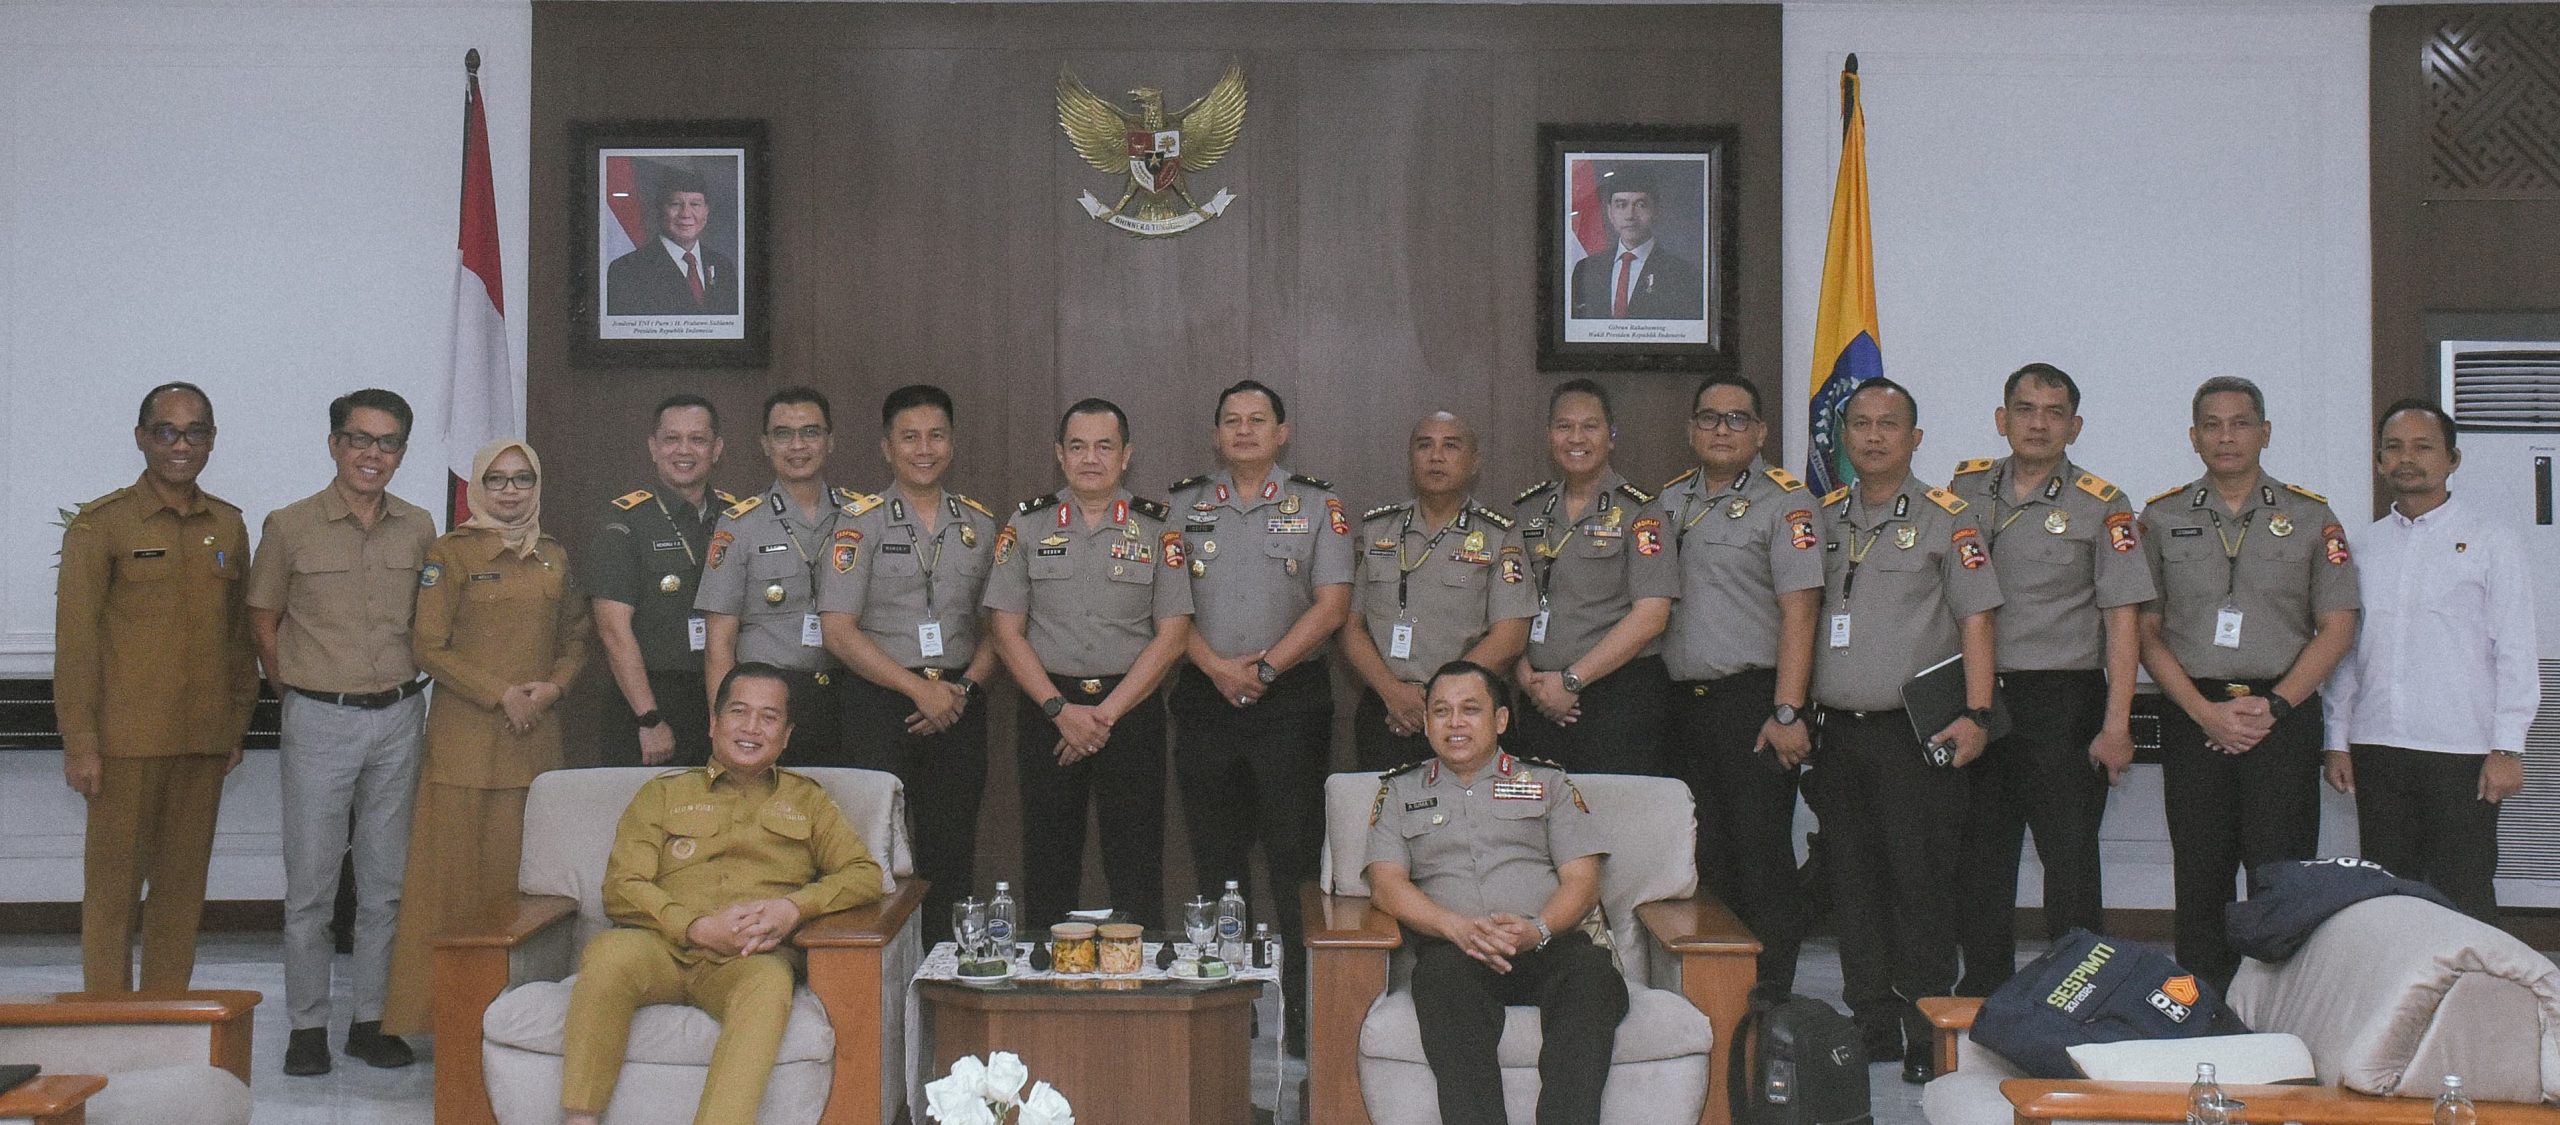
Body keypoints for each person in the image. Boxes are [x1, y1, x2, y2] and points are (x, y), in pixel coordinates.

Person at [558, 662, 884, 1125]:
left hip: (749, 957)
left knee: (769, 983)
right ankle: (579, 1119)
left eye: (769, 717)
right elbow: (621, 887)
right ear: (713, 723)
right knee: (608, 954)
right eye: (739, 712)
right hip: (661, 947)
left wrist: (792, 908)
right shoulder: (662, 794)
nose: (752, 728)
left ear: (786, 735)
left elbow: (865, 874)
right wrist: (695, 927)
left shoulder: (809, 801)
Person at [1806, 377, 2003, 1082]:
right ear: (1843, 437)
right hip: (1838, 735)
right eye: (1859, 423)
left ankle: (1927, 1030)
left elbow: (1978, 620)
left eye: (1888, 424)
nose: (1872, 436)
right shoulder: (1821, 516)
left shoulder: (1948, 518)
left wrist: (1977, 715)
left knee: (1920, 886)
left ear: (1915, 438)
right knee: (1852, 883)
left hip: (1916, 734)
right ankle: (1870, 1022)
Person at [2138, 375, 2359, 988]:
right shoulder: (2161, 518)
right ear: (2193, 437)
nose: (2226, 436)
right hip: (2194, 713)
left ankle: (2279, 1005)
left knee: (2282, 874)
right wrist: (2204, 713)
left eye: (2240, 423)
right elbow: (2145, 632)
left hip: (2282, 714)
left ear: (2265, 432)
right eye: (2212, 425)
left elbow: (2338, 626)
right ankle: (2201, 1001)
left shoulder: (2311, 516)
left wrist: (2277, 706)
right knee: (2199, 872)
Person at [246, 388, 438, 1075]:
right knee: (312, 886)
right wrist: (294, 688)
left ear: (402, 453)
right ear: (334, 444)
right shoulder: (290, 525)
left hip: (400, 717)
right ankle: (307, 1027)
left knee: (386, 884)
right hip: (319, 718)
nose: (372, 454)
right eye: (359, 439)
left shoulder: (419, 526)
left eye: (387, 443)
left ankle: (370, 1021)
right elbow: (262, 616)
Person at [1947, 364, 2155, 995]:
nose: (2038, 423)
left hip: (2061, 700)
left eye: (2053, 412)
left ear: (2075, 426)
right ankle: (1984, 993)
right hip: (1975, 697)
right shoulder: (1963, 490)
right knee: (1980, 858)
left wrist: (2117, 724)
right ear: (2001, 419)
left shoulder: (2101, 503)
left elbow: (2122, 620)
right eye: (2025, 409)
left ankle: (2075, 995)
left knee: (2069, 860)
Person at [1164, 379, 1353, 1053]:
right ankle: (1228, 1011)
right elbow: (1165, 609)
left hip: (1291, 703)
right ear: (1216, 435)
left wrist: (1266, 669)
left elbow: (1332, 605)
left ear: (1282, 433)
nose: (1244, 430)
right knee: (1217, 861)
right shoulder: (1181, 507)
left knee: (1294, 863)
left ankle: (1301, 1014)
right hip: (1205, 699)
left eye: (1257, 419)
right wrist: (1219, 669)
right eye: (1232, 420)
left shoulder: (1319, 504)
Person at [382, 438, 592, 1036]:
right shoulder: (449, 553)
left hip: (535, 745)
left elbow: (577, 637)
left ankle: (522, 1020)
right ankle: (440, 1021)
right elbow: (428, 646)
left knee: (525, 889)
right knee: (449, 888)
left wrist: (551, 689)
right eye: (496, 479)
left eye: (522, 478)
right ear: (478, 487)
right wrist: (502, 694)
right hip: (466, 745)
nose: (510, 491)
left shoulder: (554, 556)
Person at [56, 381, 258, 993]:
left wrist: (234, 725)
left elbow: (238, 639)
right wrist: (81, 743)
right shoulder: (101, 526)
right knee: (113, 892)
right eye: (166, 431)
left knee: (182, 891)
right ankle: (109, 1019)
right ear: (142, 437)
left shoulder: (227, 525)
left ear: (212, 441)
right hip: (125, 744)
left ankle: (167, 1016)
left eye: (195, 432)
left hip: (202, 741)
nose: (180, 445)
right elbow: (77, 645)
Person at [1364, 660, 1625, 1125]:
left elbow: (1583, 882)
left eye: (1470, 710)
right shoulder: (1399, 792)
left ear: (1500, 719)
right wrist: (1456, 928)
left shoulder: (1548, 783)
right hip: (1456, 952)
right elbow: (1386, 886)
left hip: (1546, 944)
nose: (1455, 723)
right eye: (1441, 711)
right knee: (1440, 980)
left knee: (1592, 975)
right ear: (1427, 722)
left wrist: (1537, 929)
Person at [983, 398, 1193, 928]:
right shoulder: (1027, 524)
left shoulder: (1158, 528)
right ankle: (1046, 972)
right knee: (1048, 858)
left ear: (1126, 455)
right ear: (1060, 455)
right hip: (1047, 707)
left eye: (1104, 446)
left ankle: (1138, 973)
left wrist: (1103, 717)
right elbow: (1005, 632)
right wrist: (1060, 710)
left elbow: (1173, 636)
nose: (1091, 458)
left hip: (1131, 709)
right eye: (1078, 447)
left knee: (1137, 862)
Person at [2322, 398, 2531, 923]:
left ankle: (2471, 980)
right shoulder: (2362, 547)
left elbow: (2515, 649)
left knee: (2466, 893)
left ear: (2452, 459)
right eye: (2393, 448)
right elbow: (2346, 652)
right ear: (2379, 461)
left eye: (2422, 447)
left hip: (2463, 750)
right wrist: (2336, 739)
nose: (2406, 459)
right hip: (2378, 746)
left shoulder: (2492, 540)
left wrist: (2509, 747)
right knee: (2389, 896)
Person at [1655, 372, 1821, 996]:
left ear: (1760, 432)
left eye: (1737, 419)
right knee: (1703, 856)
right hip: (1680, 703)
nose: (1721, 429)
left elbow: (1801, 611)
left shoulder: (1787, 505)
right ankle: (1717, 990)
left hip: (1753, 702)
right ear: (1690, 429)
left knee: (1761, 856)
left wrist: (1788, 710)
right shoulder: (1668, 502)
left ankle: (1770, 996)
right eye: (1709, 417)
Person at [817, 384, 1001, 931]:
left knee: (953, 850)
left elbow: (1001, 629)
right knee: (875, 853)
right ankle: (881, 973)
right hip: (880, 704)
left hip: (959, 704)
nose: (924, 449)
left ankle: (947, 965)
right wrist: (917, 689)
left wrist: (963, 690)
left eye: (936, 436)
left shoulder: (980, 525)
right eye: (910, 437)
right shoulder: (858, 523)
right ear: (887, 447)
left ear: (952, 443)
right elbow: (837, 630)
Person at [1342, 412, 1539, 771]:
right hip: (1388, 711)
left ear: (1474, 462)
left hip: (1470, 714)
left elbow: (1510, 637)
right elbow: (1351, 627)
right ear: (1410, 458)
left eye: (1450, 446)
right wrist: (1393, 693)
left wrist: (1437, 700)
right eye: (1424, 446)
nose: (1436, 456)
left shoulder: (1499, 535)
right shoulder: (1377, 530)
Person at [1508, 379, 1675, 775]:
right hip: (1539, 699)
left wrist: (1571, 681)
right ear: (1549, 435)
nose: (1576, 438)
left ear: (1611, 436)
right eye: (1564, 426)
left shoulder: (1641, 512)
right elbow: (1509, 603)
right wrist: (1525, 675)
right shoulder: (1528, 511)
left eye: (1590, 426)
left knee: (1611, 812)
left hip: (1616, 699)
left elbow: (1652, 616)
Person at [696, 387, 865, 767]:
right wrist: (723, 725)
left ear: (830, 441)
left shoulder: (862, 517)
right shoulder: (739, 524)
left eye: (810, 432)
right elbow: (719, 641)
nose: (797, 446)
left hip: (850, 696)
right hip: (767, 704)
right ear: (765, 444)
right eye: (783, 434)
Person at [590, 395, 734, 768]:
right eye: (671, 439)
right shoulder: (626, 522)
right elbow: (613, 630)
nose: (684, 450)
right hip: (651, 701)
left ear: (716, 449)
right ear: (653, 448)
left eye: (697, 439)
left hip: (725, 697)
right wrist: (649, 718)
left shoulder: (737, 517)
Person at [1567, 166, 1704, 321]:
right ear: (1610, 213)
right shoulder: (1585, 269)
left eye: (1640, 205)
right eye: (1621, 205)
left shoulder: (1683, 275)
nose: (1630, 215)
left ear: (1655, 211)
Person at [605, 170, 739, 316]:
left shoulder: (723, 266)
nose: (685, 214)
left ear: (706, 211)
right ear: (660, 209)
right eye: (675, 204)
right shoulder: (626, 270)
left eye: (695, 204)